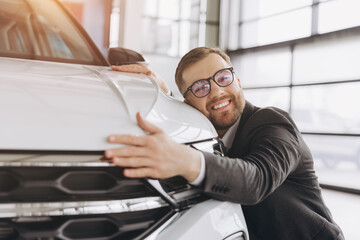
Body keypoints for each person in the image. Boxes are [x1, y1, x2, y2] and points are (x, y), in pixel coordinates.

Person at [105, 47, 344, 239]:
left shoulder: (272, 122)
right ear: (188, 104)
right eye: (200, 87)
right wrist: (162, 96)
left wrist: (185, 160)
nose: (217, 91)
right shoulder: (201, 135)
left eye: (223, 77)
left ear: (237, 81)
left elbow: (256, 179)